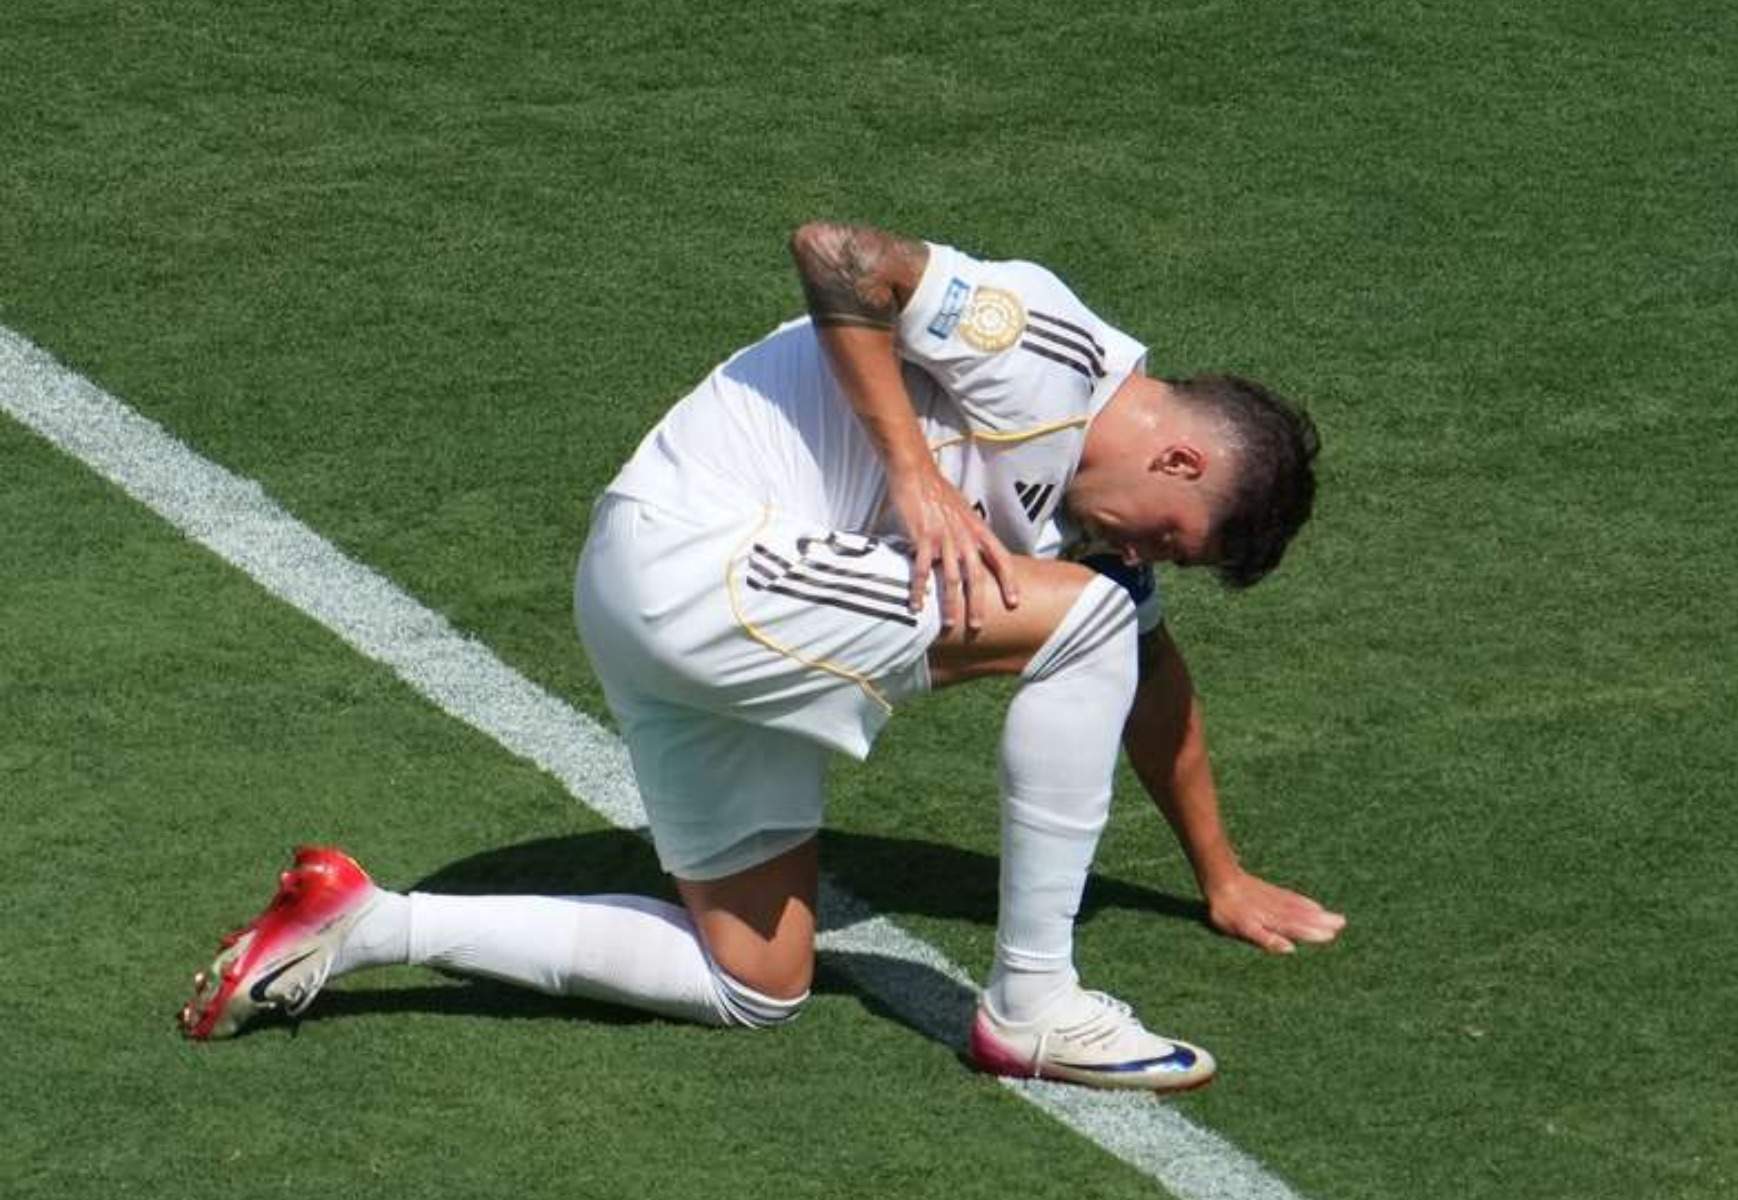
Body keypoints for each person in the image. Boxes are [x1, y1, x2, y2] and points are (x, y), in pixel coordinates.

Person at [178, 222, 1344, 1091]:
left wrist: (1220, 875)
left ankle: (365, 922)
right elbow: (837, 252)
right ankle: (1033, 1004)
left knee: (752, 981)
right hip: (700, 560)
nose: (1142, 555)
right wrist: (915, 475)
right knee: (1082, 616)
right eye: (1169, 539)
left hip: (671, 608)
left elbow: (1147, 667)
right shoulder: (1046, 344)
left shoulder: (1087, 528)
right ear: (1180, 464)